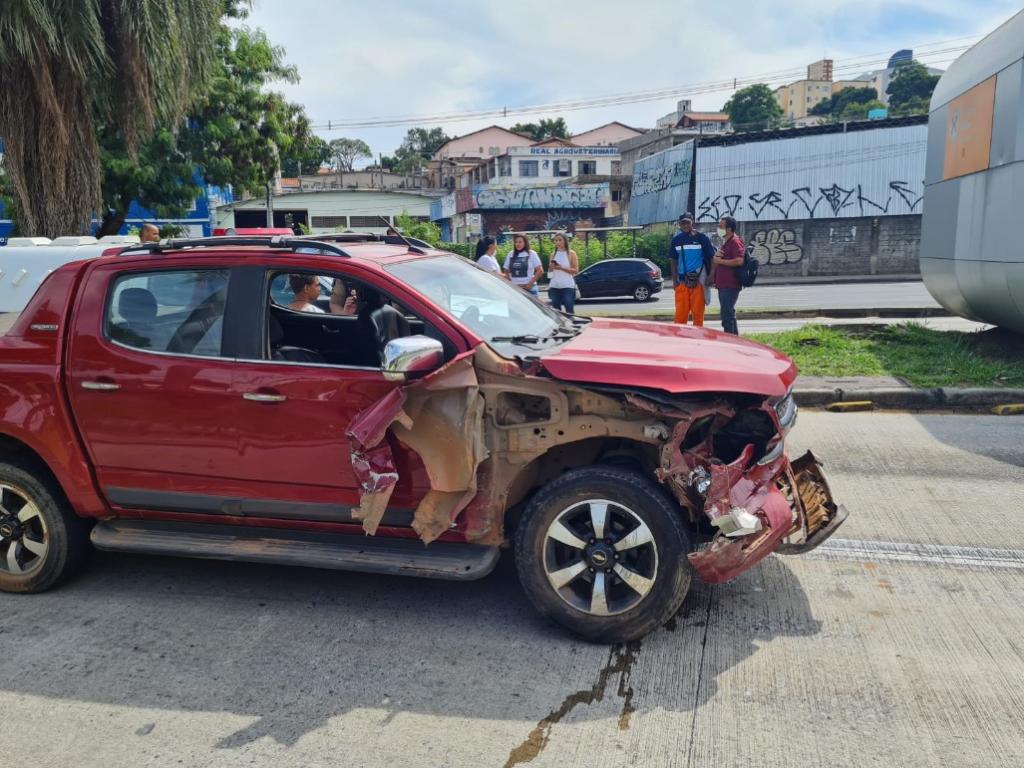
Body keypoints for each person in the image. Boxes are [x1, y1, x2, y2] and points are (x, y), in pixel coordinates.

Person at [670, 212, 714, 327]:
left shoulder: (701, 238)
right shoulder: (676, 240)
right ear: (679, 224)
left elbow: (711, 258)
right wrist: (674, 281)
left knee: (698, 314)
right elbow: (673, 261)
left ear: (692, 222)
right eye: (682, 223)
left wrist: (711, 276)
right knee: (680, 315)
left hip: (698, 281)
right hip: (682, 282)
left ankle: (697, 340)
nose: (685, 225)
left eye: (687, 223)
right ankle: (679, 340)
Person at [711, 216, 745, 335]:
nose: (718, 229)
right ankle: (735, 339)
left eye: (721, 226)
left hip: (730, 285)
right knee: (729, 314)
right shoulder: (728, 242)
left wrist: (720, 261)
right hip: (724, 285)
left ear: (729, 229)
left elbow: (739, 260)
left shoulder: (735, 241)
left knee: (726, 316)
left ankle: (729, 340)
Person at [548, 232, 579, 313]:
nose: (557, 242)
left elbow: (575, 271)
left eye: (560, 240)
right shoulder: (553, 254)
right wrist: (551, 268)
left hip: (567, 286)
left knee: (569, 309)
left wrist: (561, 268)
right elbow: (549, 275)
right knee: (556, 311)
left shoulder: (571, 253)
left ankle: (571, 324)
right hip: (554, 286)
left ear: (565, 241)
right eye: (556, 240)